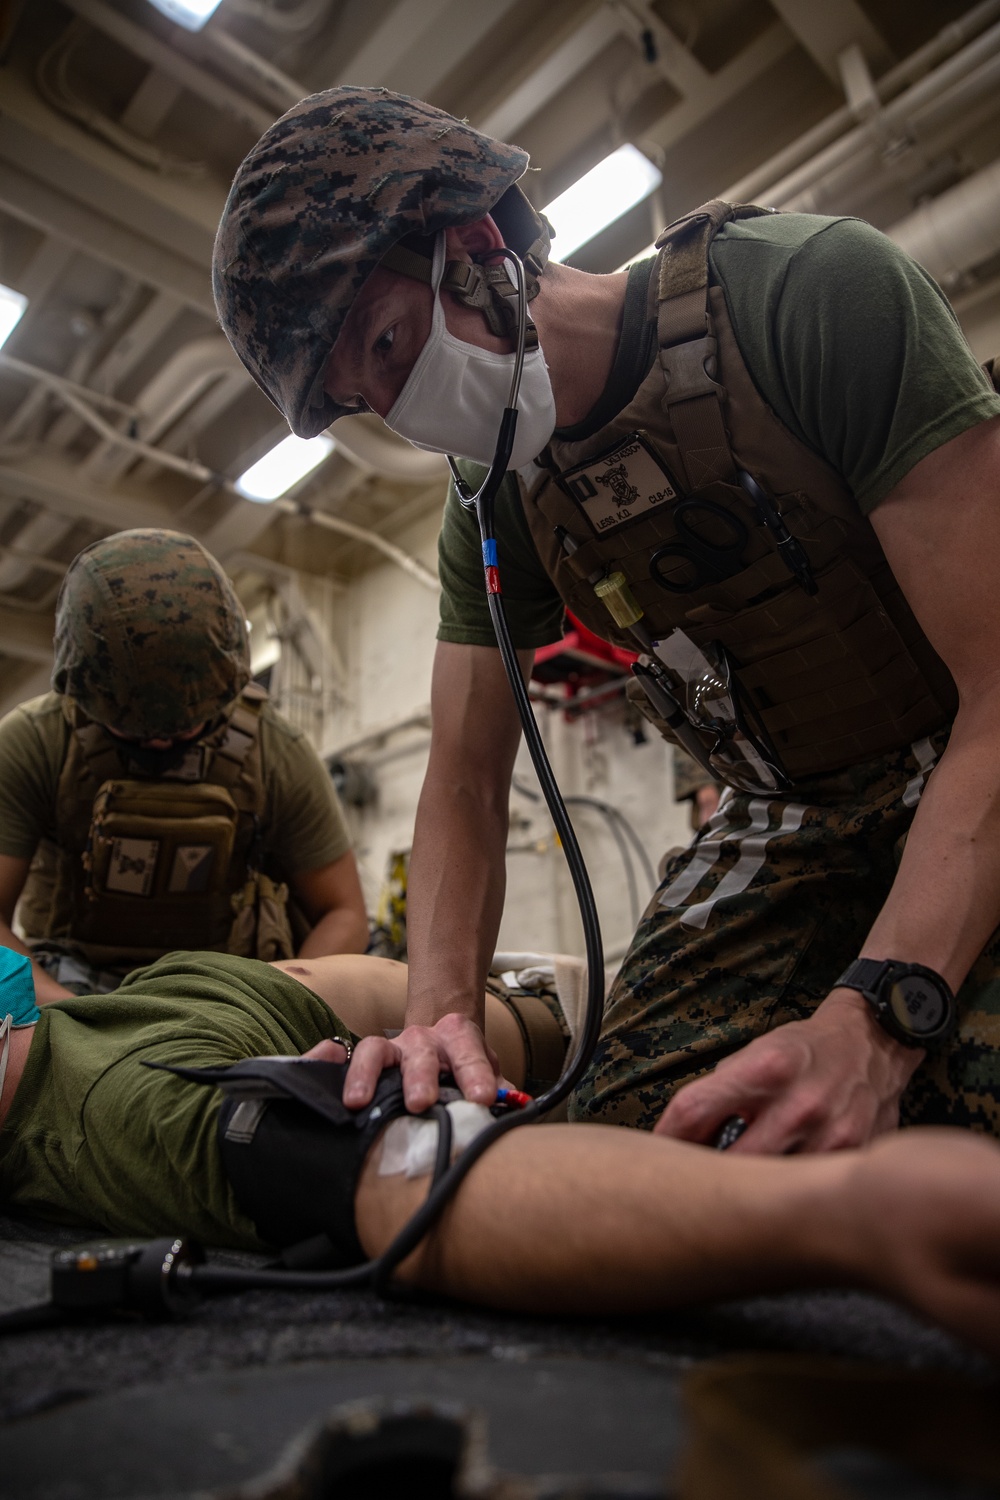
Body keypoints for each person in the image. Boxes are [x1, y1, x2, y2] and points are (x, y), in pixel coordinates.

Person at [212, 87, 1000, 1154]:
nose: (399, 413)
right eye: (362, 400)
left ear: (479, 247)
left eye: (390, 346)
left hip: (964, 753)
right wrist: (440, 1021)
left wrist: (877, 1016)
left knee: (955, 1102)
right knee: (633, 1135)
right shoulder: (494, 504)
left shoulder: (809, 294)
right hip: (785, 809)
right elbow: (460, 776)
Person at [2, 940, 1000, 1359]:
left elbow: (413, 1180)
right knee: (466, 1040)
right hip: (155, 999)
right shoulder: (129, 1021)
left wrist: (846, 1214)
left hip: (107, 1051)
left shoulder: (97, 1106)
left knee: (329, 1132)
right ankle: (552, 1023)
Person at [0, 529, 368, 1002]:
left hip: (228, 986)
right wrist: (73, 1021)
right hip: (69, 983)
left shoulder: (275, 750)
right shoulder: (35, 741)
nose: (160, 739)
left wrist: (274, 1004)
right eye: (133, 728)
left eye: (188, 725)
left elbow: (343, 913)